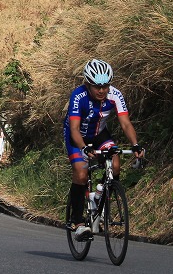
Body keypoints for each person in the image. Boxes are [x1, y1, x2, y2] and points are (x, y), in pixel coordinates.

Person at [64, 59, 145, 240]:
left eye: (105, 86)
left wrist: (135, 144)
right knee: (81, 173)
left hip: (100, 134)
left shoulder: (115, 95)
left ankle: (100, 197)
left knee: (115, 164)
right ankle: (77, 221)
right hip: (77, 137)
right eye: (96, 87)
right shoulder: (78, 96)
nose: (102, 90)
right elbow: (75, 129)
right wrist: (83, 148)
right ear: (87, 84)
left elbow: (125, 123)